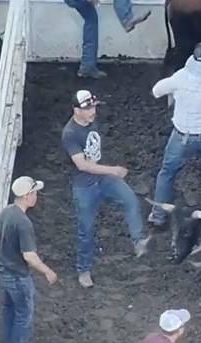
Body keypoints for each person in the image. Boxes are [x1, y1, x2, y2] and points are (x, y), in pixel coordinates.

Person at [61, 89, 151, 288]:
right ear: (76, 110)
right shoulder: (70, 134)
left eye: (93, 106)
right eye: (87, 108)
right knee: (86, 229)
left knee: (130, 199)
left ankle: (138, 240)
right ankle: (83, 270)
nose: (92, 111)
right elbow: (82, 165)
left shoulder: (92, 122)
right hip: (85, 185)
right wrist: (113, 170)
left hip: (101, 177)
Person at [147, 42, 201, 229]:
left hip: (182, 137)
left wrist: (174, 87)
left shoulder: (181, 78)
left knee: (167, 172)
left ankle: (159, 215)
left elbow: (156, 91)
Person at [0, 176, 58, 343]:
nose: (36, 196)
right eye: (35, 192)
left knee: (8, 313)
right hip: (17, 276)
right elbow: (29, 256)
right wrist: (47, 271)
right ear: (28, 196)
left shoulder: (6, 213)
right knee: (23, 316)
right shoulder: (23, 223)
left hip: (1, 272)